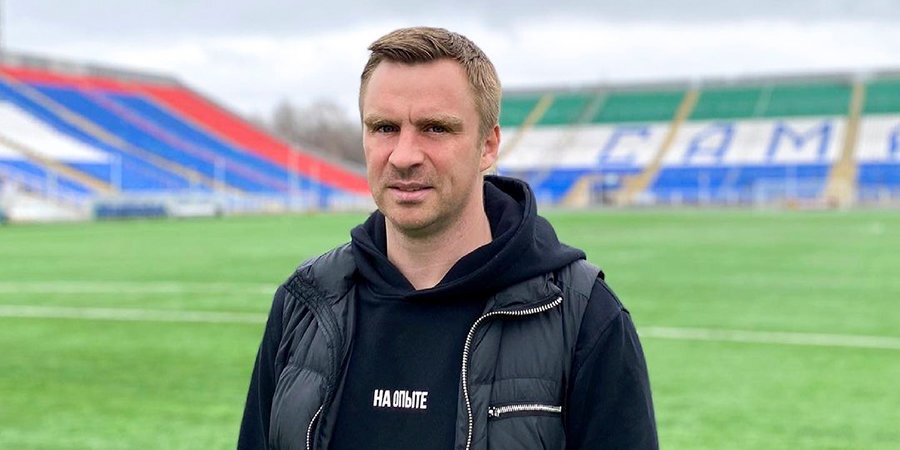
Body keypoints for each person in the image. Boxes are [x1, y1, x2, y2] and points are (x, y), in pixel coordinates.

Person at [238, 26, 657, 450]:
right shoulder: (304, 303)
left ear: (488, 145)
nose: (404, 156)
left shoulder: (583, 315)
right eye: (384, 127)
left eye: (435, 128)